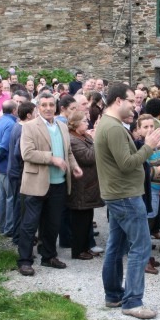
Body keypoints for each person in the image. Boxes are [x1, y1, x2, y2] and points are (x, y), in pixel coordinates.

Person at [95, 83, 160, 319]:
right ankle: (133, 301)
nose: (134, 105)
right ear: (118, 101)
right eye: (130, 101)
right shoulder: (113, 128)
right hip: (125, 195)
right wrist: (149, 146)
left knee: (116, 246)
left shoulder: (112, 125)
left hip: (120, 194)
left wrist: (146, 146)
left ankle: (114, 295)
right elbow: (127, 163)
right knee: (141, 247)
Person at [17, 92, 82, 276]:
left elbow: (68, 152)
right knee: (30, 224)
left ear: (56, 107)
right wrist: (52, 159)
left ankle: (48, 256)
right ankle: (24, 260)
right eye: (44, 105)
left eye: (51, 105)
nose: (48, 108)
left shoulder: (61, 126)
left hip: (58, 182)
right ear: (38, 107)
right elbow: (27, 154)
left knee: (53, 223)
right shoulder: (29, 127)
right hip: (36, 182)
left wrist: (74, 166)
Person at [67, 111, 104, 260]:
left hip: (89, 184)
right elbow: (89, 157)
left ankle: (85, 247)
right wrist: (95, 141)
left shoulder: (83, 136)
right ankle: (78, 251)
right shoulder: (73, 140)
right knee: (79, 221)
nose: (87, 123)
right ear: (75, 125)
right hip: (80, 186)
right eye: (83, 121)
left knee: (87, 218)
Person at [7, 101, 36, 243]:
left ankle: (18, 234)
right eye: (35, 112)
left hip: (14, 171)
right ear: (29, 115)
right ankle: (18, 237)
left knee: (18, 205)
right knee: (20, 206)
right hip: (18, 172)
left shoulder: (17, 125)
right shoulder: (23, 129)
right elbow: (21, 153)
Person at [0, 100, 18, 237]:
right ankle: (9, 228)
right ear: (14, 110)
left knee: (2, 198)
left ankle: (2, 227)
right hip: (6, 166)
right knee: (9, 198)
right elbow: (3, 147)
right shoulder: (11, 124)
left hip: (0, 167)